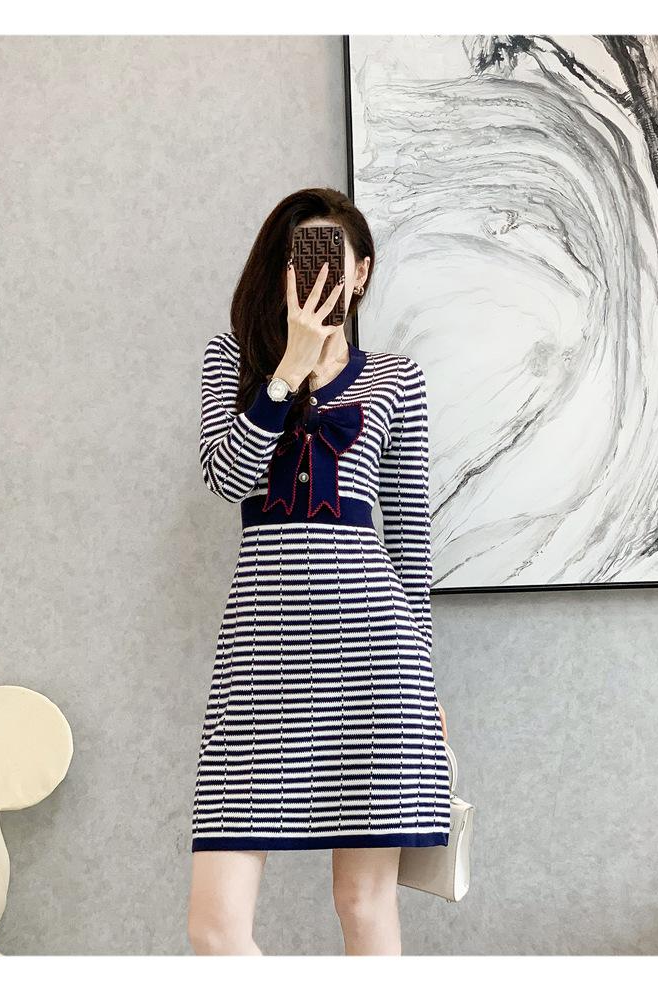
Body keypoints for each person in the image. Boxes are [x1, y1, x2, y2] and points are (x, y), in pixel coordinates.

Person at [187, 188, 450, 956]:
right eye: (298, 258)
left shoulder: (395, 379)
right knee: (214, 930)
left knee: (363, 904)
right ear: (278, 271)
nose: (316, 274)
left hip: (375, 666)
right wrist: (287, 371)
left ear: (361, 272)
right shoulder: (231, 360)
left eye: (334, 258)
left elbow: (409, 545)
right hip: (261, 659)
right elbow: (226, 477)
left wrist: (428, 693)